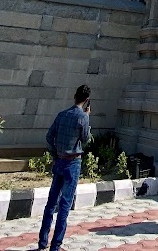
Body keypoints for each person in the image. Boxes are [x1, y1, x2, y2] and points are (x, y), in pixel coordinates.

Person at [38, 85, 91, 251]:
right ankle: (56, 245)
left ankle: (42, 242)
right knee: (65, 205)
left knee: (51, 203)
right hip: (73, 162)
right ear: (86, 100)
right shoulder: (82, 117)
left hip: (59, 160)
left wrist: (55, 154)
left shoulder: (62, 114)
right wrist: (87, 118)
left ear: (74, 96)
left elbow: (49, 136)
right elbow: (86, 139)